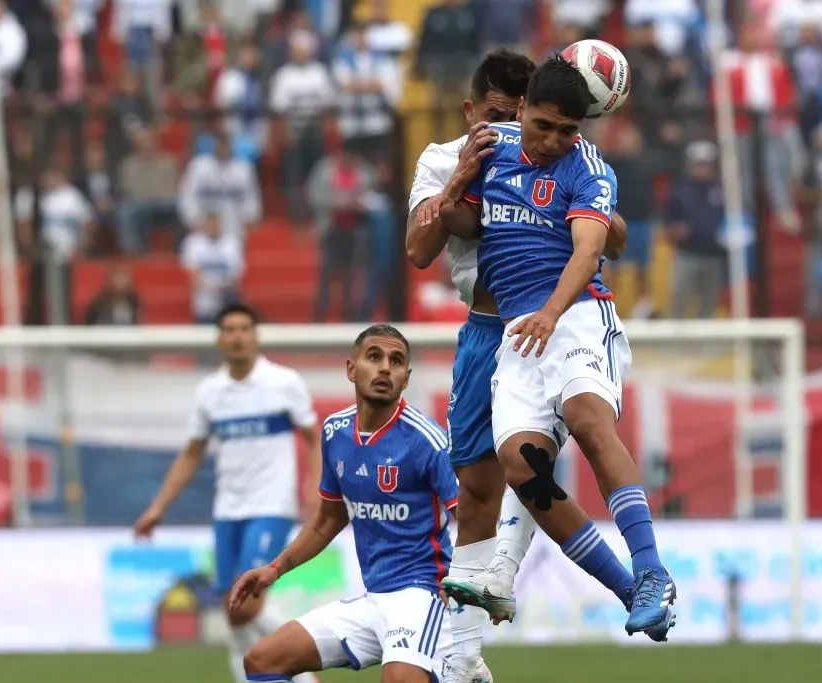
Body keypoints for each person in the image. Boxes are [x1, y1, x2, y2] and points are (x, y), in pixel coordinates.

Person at [406, 49, 644, 681]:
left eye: (521, 117)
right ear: (471, 110)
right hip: (484, 331)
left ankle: (487, 610)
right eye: (497, 115)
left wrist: (587, 195)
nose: (510, 128)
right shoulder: (442, 157)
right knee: (477, 488)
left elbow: (612, 240)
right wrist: (460, 175)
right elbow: (418, 250)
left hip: (546, 322)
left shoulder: (558, 153)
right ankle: (464, 654)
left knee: (527, 461)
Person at [230, 324, 458, 683]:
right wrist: (274, 569)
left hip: (424, 595)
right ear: (351, 369)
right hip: (373, 598)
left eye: (396, 361)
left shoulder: (426, 439)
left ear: (406, 377)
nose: (385, 368)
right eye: (374, 357)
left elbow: (472, 515)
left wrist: (467, 579)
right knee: (262, 660)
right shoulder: (335, 432)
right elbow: (327, 520)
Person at [133, 303, 321, 683]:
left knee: (247, 603)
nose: (237, 336)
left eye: (244, 329)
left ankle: (305, 665)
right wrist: (157, 508)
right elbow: (192, 453)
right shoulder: (210, 392)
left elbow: (313, 439)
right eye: (230, 330)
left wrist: (315, 488)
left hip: (272, 505)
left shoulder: (283, 382)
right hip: (228, 510)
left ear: (255, 336)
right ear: (219, 338)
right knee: (233, 608)